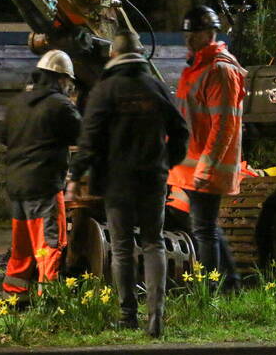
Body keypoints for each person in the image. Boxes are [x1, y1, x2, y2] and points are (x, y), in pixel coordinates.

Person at [68, 31, 188, 337]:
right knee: (153, 242)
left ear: (114, 57)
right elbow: (180, 129)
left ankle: (127, 315)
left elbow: (90, 137)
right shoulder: (155, 86)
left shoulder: (105, 89)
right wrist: (167, 162)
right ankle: (156, 317)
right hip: (152, 178)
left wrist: (76, 174)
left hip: (117, 181)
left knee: (121, 248)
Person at [167, 6, 247, 290]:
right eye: (186, 33)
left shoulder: (220, 69)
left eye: (195, 33)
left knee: (204, 230)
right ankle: (230, 285)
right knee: (206, 228)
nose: (188, 38)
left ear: (210, 33)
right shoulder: (198, 66)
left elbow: (223, 124)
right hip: (191, 166)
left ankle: (211, 291)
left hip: (205, 167)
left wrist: (207, 166)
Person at [0, 49, 80, 298]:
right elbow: (81, 136)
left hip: (16, 187)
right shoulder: (61, 105)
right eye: (68, 81)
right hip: (45, 186)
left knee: (21, 247)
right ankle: (49, 299)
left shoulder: (17, 103)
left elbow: (3, 137)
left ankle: (13, 296)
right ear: (61, 79)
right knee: (49, 244)